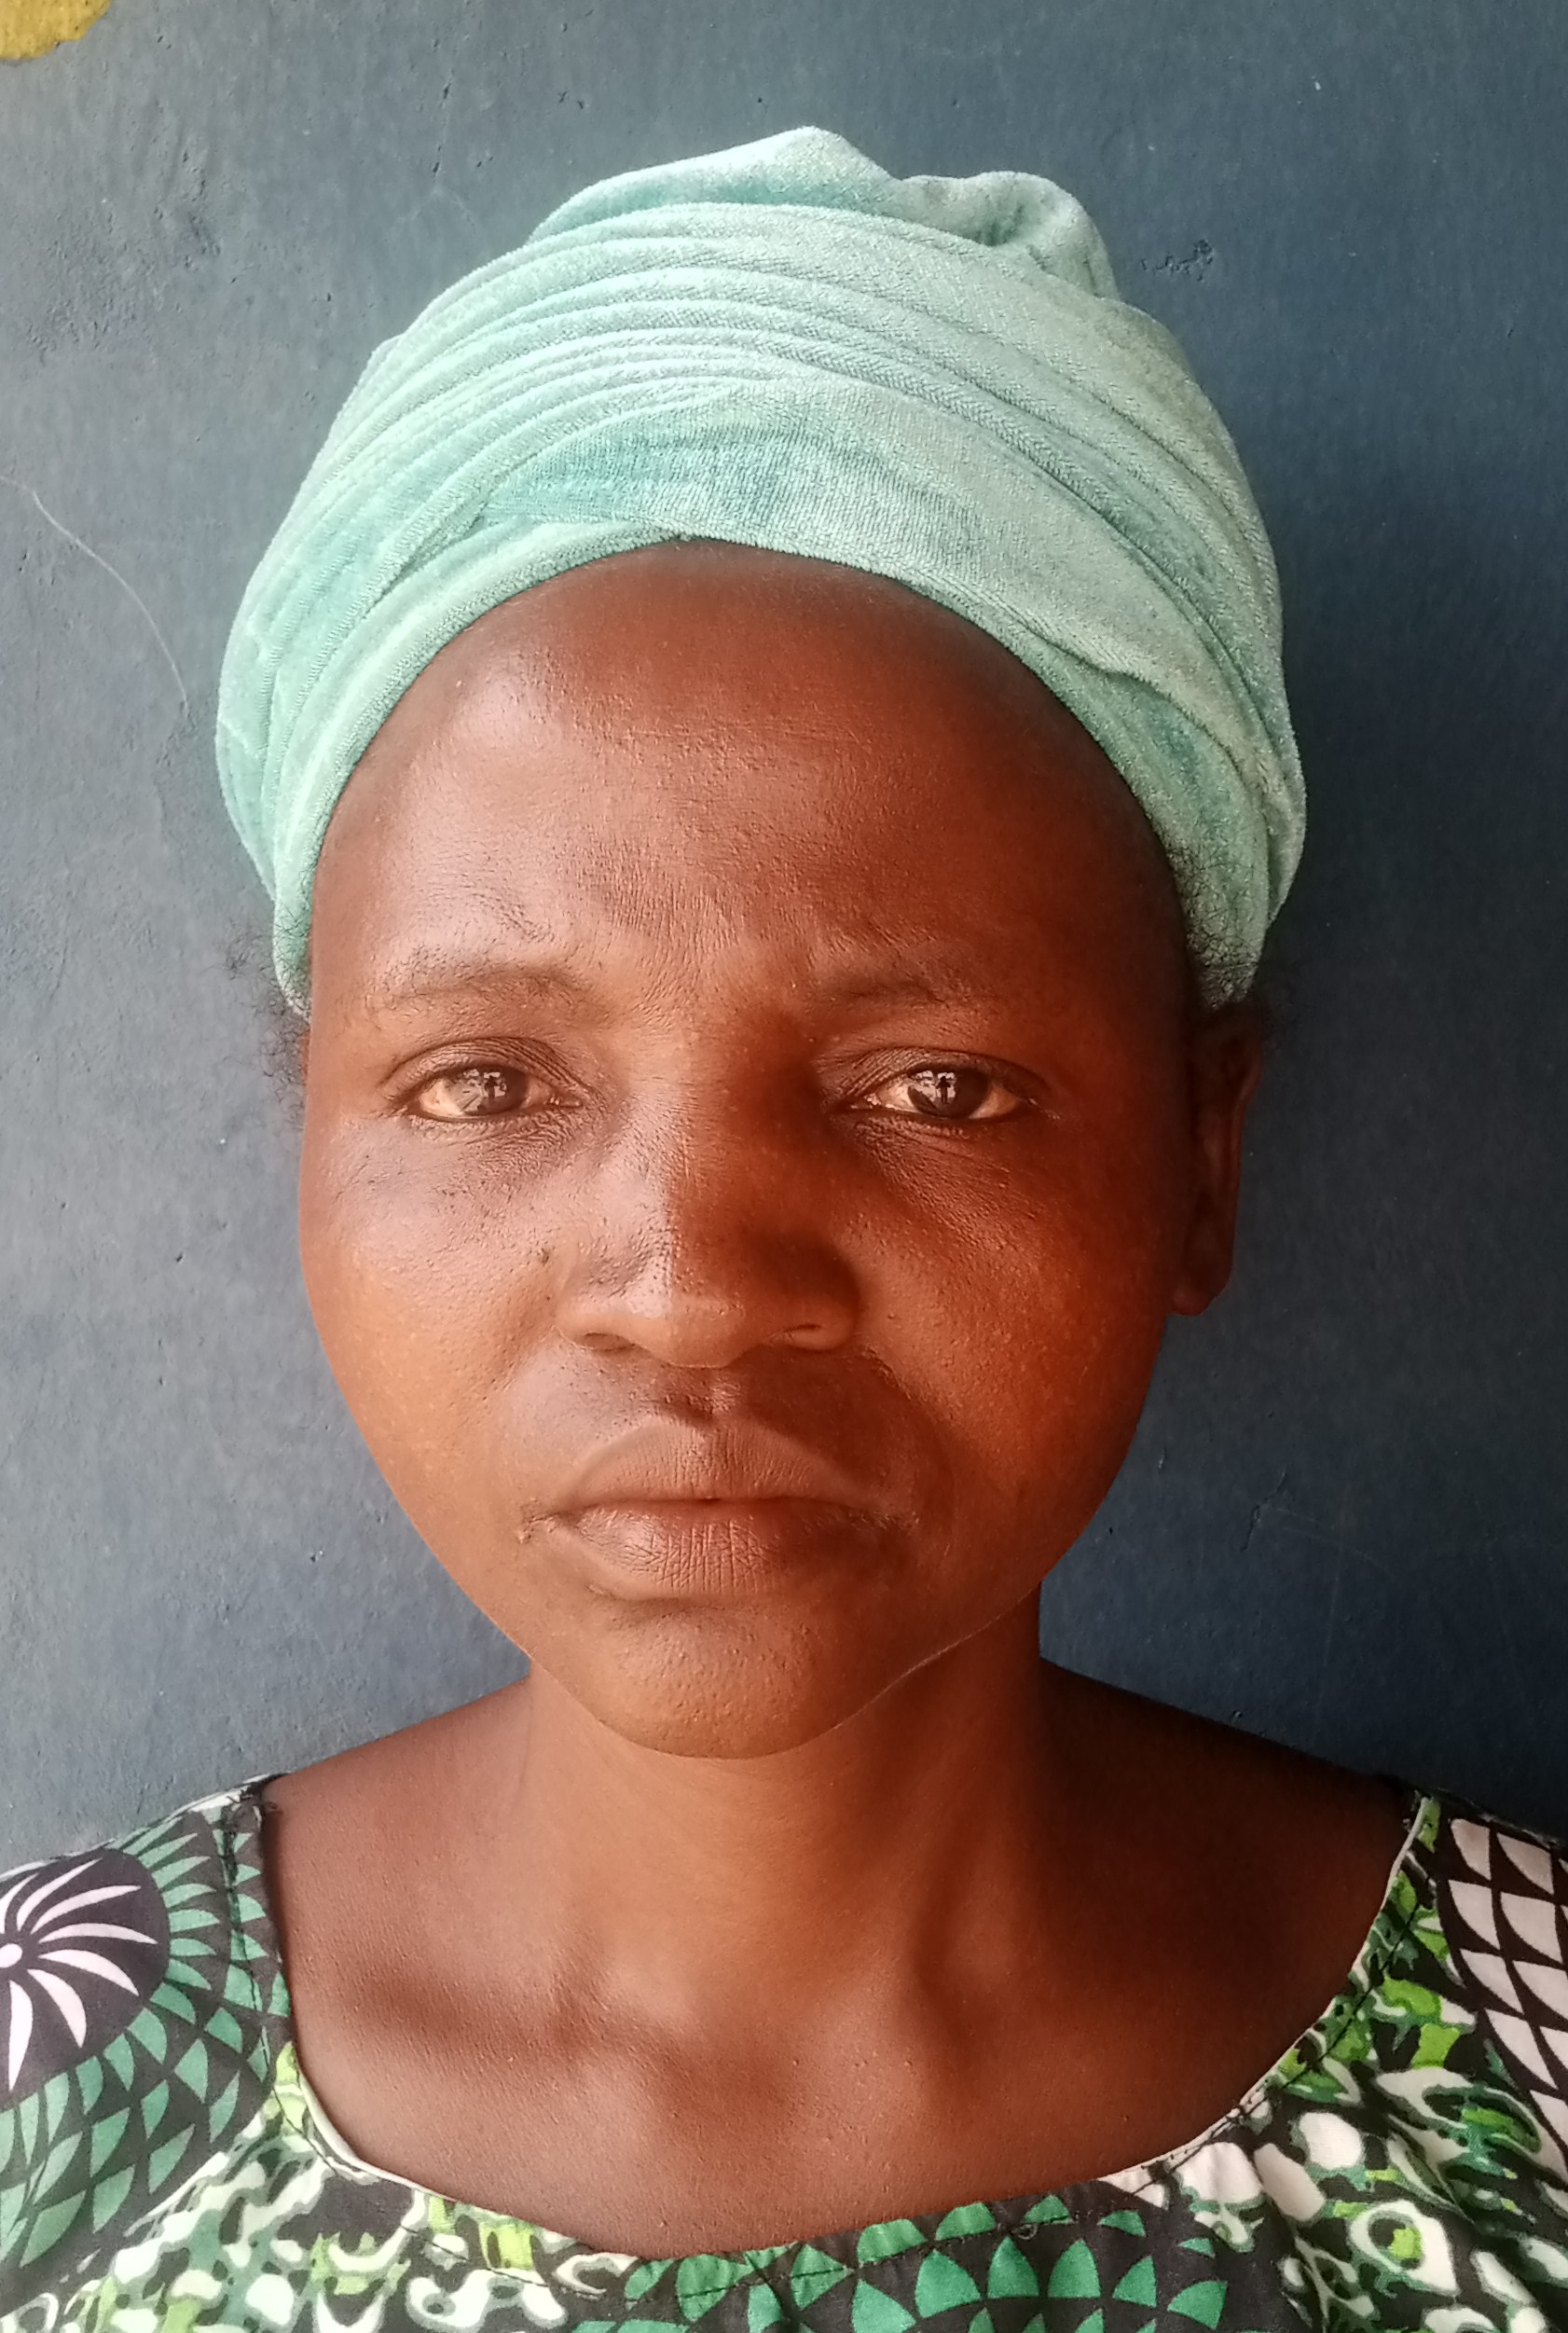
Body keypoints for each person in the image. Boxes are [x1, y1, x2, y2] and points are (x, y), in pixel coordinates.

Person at [2, 126, 1564, 2333]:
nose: (691, 1292)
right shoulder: (44, 2110)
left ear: (1199, 1162)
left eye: (935, 1091)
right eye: (486, 1084)